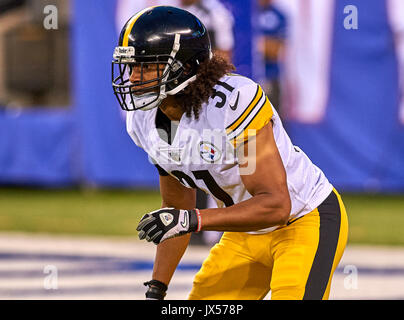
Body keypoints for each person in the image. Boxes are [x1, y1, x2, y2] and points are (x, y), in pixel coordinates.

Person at [112, 6, 348, 300]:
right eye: (132, 66)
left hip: (302, 220)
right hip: (246, 235)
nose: (134, 78)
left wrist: (193, 219)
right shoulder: (146, 120)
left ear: (184, 67)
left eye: (146, 66)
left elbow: (275, 204)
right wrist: (157, 289)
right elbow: (176, 210)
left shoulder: (232, 105)